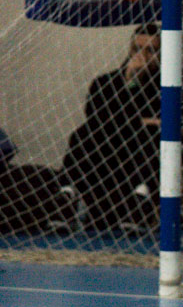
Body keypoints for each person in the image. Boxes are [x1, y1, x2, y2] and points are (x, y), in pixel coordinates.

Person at [58, 23, 172, 232]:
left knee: (147, 134)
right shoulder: (105, 82)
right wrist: (131, 82)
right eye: (137, 49)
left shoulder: (173, 85)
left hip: (141, 151)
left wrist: (134, 121)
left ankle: (140, 200)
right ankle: (67, 194)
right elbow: (97, 119)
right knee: (82, 134)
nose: (142, 56)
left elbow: (175, 122)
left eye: (150, 50)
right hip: (110, 150)